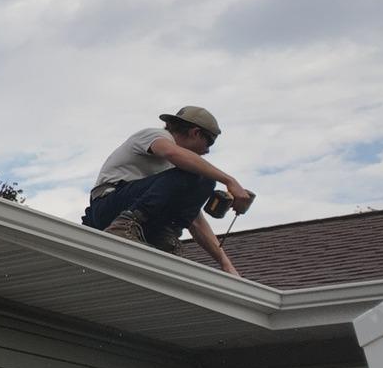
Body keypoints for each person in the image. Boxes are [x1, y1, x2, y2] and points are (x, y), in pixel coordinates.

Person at [82, 106, 255, 274]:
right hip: (107, 208)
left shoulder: (177, 173)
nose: (208, 150)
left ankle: (164, 238)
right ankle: (123, 227)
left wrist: (225, 264)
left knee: (200, 179)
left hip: (133, 217)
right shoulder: (155, 136)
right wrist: (230, 181)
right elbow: (172, 153)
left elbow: (195, 221)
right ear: (195, 132)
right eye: (209, 141)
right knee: (204, 177)